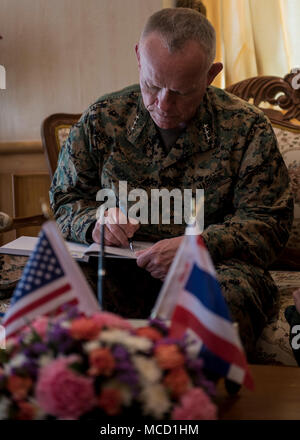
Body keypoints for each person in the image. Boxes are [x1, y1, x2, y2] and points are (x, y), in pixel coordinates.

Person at [49, 8, 294, 359]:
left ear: (211, 74)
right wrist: (94, 223)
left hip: (215, 269)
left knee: (219, 300)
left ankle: (189, 406)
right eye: (153, 84)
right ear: (138, 56)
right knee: (62, 294)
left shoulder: (246, 127)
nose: (163, 104)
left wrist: (198, 247)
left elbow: (269, 223)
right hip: (120, 267)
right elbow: (66, 198)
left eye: (181, 91)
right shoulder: (103, 119)